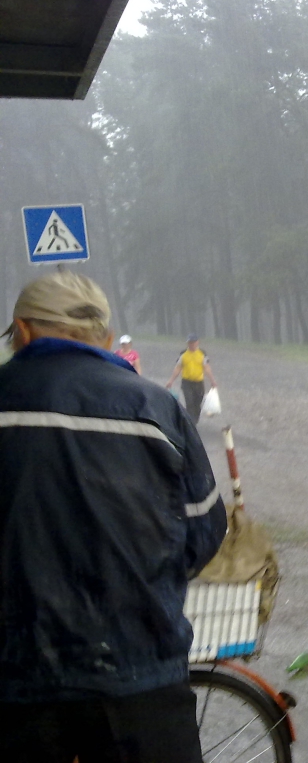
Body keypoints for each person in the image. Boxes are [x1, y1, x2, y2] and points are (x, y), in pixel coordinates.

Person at [0, 271, 227, 763]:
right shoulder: (156, 408)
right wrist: (144, 580)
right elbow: (206, 528)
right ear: (105, 339)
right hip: (141, 676)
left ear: (23, 331)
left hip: (16, 681)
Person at [166, 334, 217, 425]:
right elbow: (178, 368)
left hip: (199, 383)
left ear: (197, 342)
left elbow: (207, 368)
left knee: (197, 403)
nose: (191, 345)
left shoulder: (202, 353)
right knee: (189, 402)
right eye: (190, 343)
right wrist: (171, 381)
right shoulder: (183, 354)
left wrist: (212, 381)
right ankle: (190, 423)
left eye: (193, 342)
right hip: (187, 382)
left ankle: (194, 421)